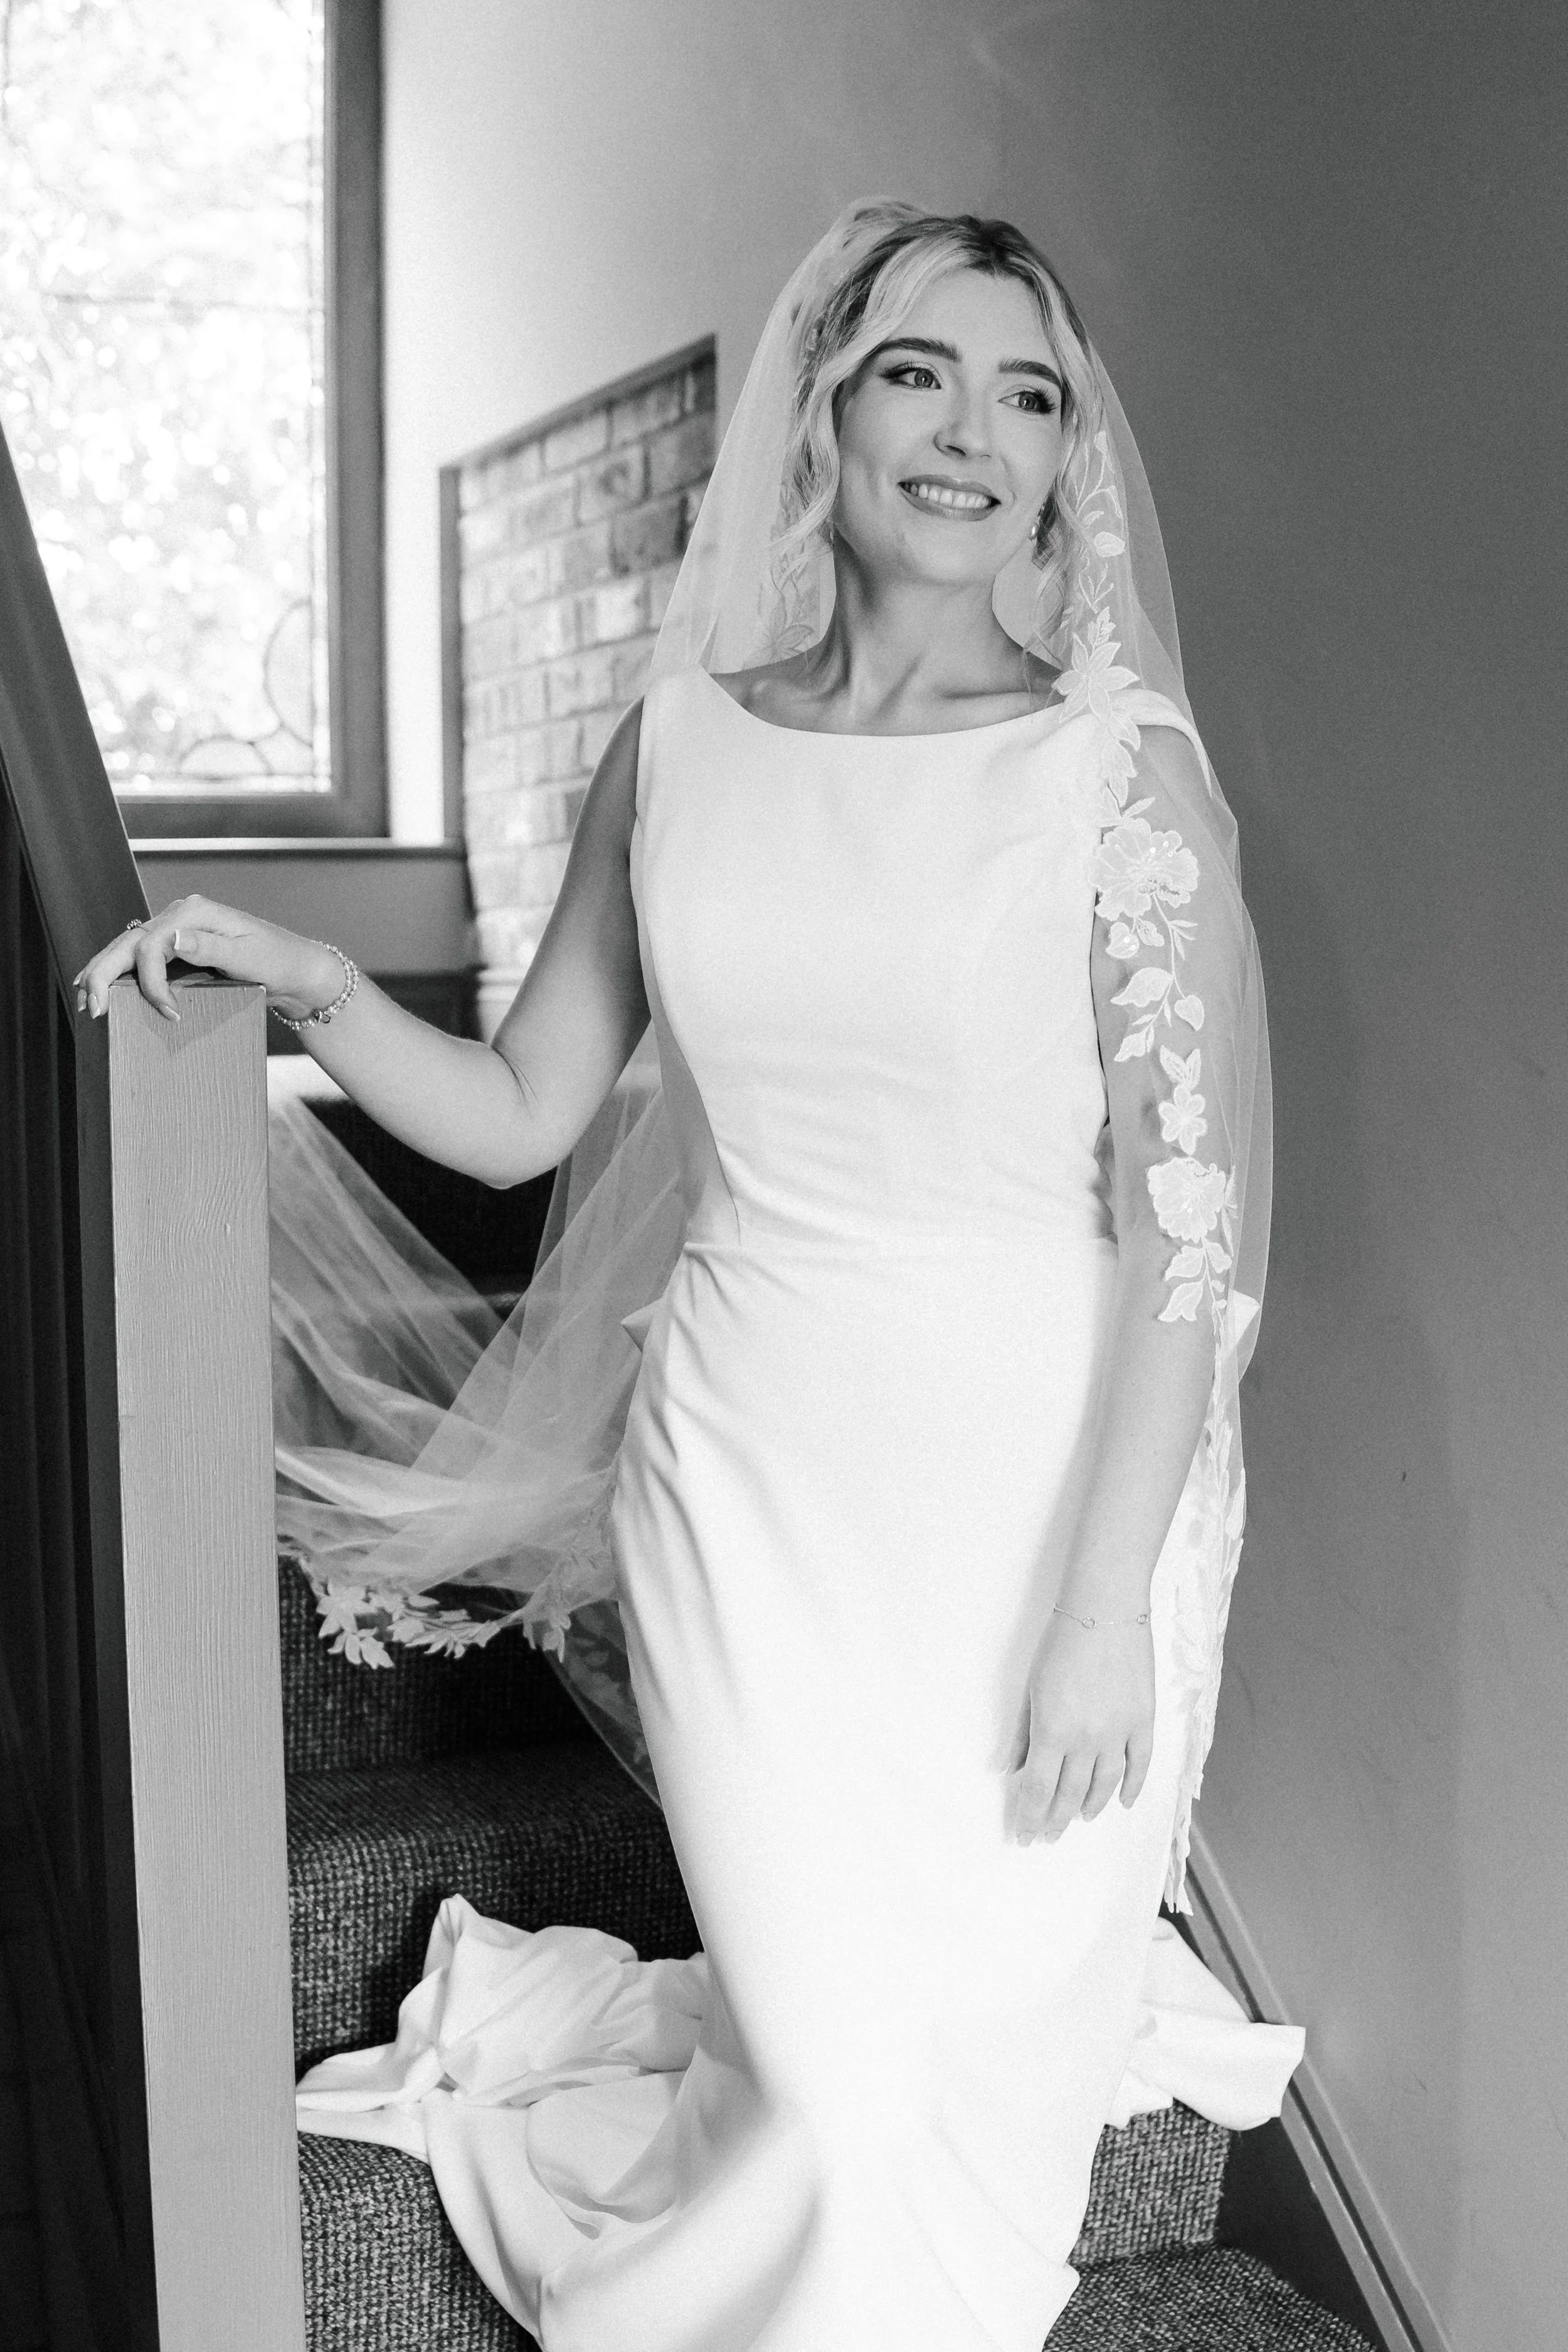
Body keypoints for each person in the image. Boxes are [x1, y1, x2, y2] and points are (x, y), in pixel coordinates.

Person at [75, 203, 1296, 2349]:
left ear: (1065, 458)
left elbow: (1196, 1238)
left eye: (1028, 392)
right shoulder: (682, 748)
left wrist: (1108, 1607)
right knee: (828, 2065)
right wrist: (302, 985)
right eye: (919, 368)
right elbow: (529, 1104)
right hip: (743, 1464)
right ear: (821, 401)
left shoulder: (1121, 780)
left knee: (933, 2086)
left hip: (1038, 1497)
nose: (970, 431)